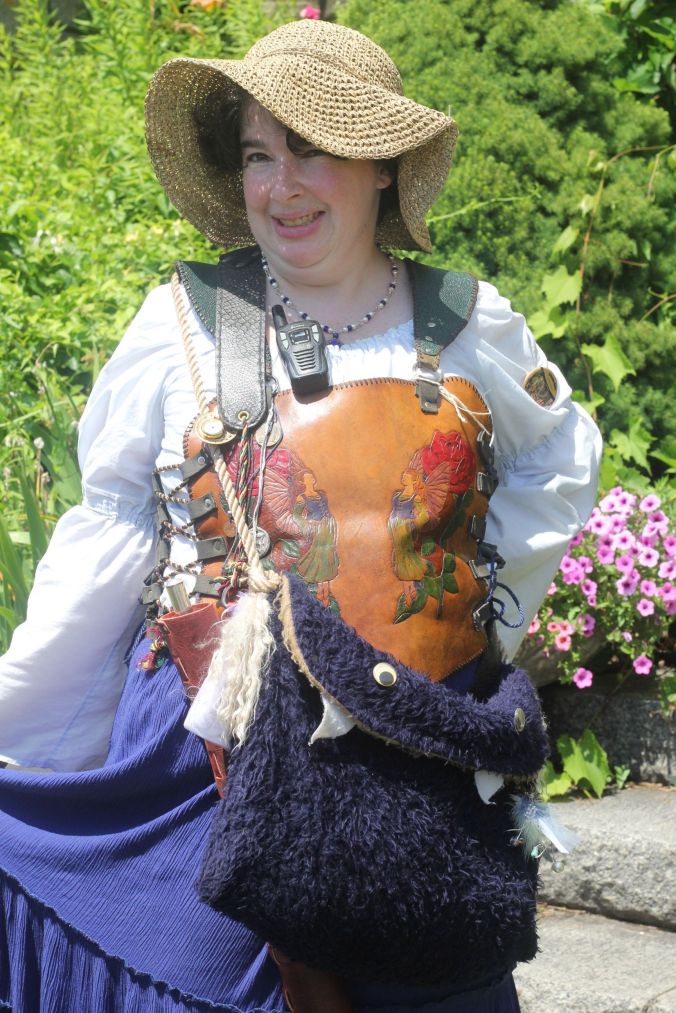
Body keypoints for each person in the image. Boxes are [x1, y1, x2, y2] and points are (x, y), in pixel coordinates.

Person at [0, 18, 601, 1013]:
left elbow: (561, 459)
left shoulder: (468, 322)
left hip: (420, 775)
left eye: (314, 149)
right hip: (214, 764)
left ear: (381, 168)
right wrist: (27, 722)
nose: (281, 185)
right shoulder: (183, 326)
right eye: (258, 154)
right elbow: (104, 539)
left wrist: (470, 616)